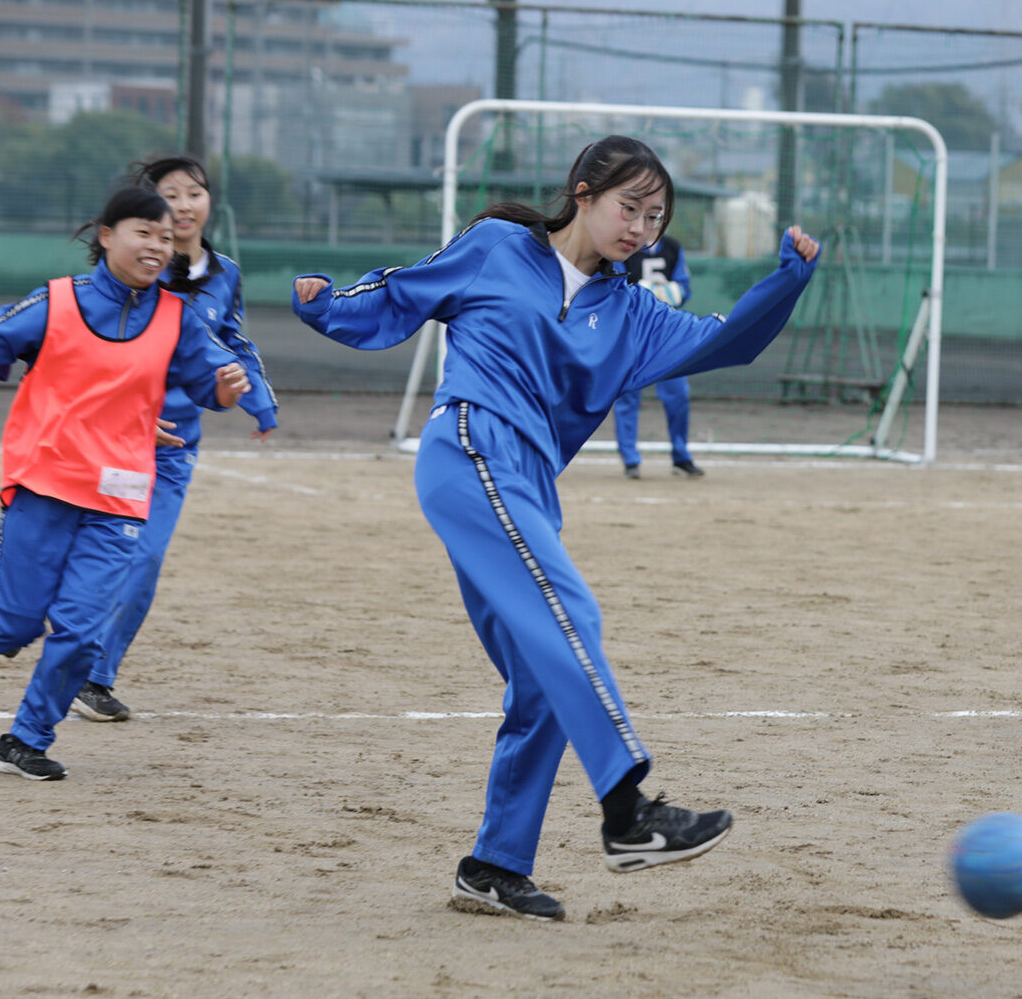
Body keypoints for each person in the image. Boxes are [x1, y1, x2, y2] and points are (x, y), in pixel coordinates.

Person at [292, 135, 820, 920]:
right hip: (470, 444)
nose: (642, 227)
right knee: (574, 616)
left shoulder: (635, 313)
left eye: (656, 216)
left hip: (529, 486)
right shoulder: (498, 247)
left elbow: (725, 342)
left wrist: (790, 278)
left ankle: (494, 866)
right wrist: (323, 303)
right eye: (629, 208)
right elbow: (402, 292)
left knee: (542, 669)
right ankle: (628, 811)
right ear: (582, 192)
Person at [0, 186, 250, 781]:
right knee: (15, 622)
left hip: (121, 495)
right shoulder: (57, 302)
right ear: (106, 236)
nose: (157, 245)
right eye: (144, 232)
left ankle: (26, 739)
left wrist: (229, 391)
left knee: (82, 630)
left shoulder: (176, 318)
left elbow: (209, 386)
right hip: (44, 481)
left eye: (165, 237)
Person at [74, 154, 279, 724]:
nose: (185, 205)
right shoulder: (136, 266)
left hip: (173, 447)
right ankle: (44, 637)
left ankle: (94, 676)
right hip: (110, 437)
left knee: (145, 561)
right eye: (172, 194)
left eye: (195, 193)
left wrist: (258, 403)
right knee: (93, 557)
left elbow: (232, 345)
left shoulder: (226, 273)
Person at [613, 233, 703, 478]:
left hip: (666, 335)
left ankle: (681, 455)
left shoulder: (673, 247)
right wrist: (644, 293)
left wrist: (673, 294)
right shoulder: (625, 245)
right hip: (631, 334)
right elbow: (617, 286)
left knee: (678, 395)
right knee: (627, 395)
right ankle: (630, 459)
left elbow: (683, 287)